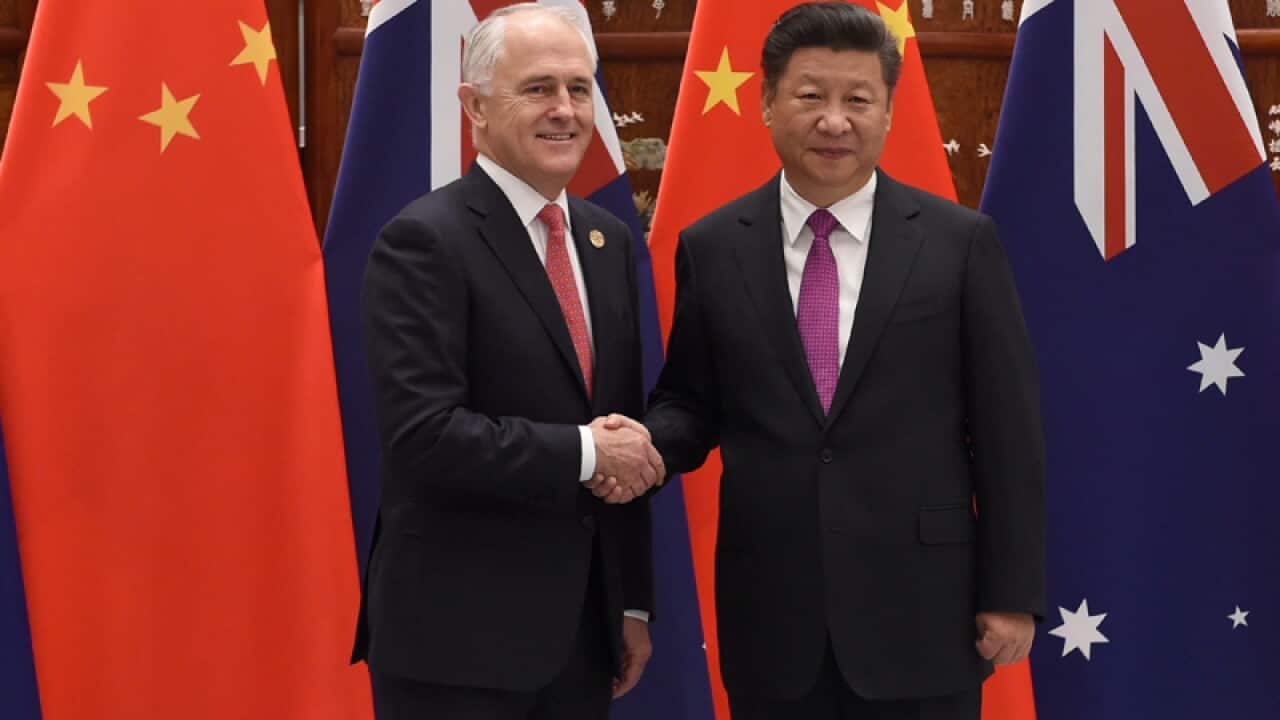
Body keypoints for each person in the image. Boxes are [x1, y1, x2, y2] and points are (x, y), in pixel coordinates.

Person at [597, 3, 1044, 718]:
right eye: (810, 96)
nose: (834, 121)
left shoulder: (960, 245)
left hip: (926, 614)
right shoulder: (714, 247)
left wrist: (1012, 595)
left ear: (889, 112)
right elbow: (693, 401)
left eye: (857, 99)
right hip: (774, 617)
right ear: (768, 104)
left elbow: (1009, 434)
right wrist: (644, 445)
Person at [352, 4, 663, 718]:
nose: (565, 110)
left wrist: (632, 600)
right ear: (476, 108)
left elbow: (621, 421)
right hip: (456, 646)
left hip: (584, 639)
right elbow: (423, 438)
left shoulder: (607, 242)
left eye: (580, 89)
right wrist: (586, 452)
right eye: (539, 88)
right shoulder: (424, 242)